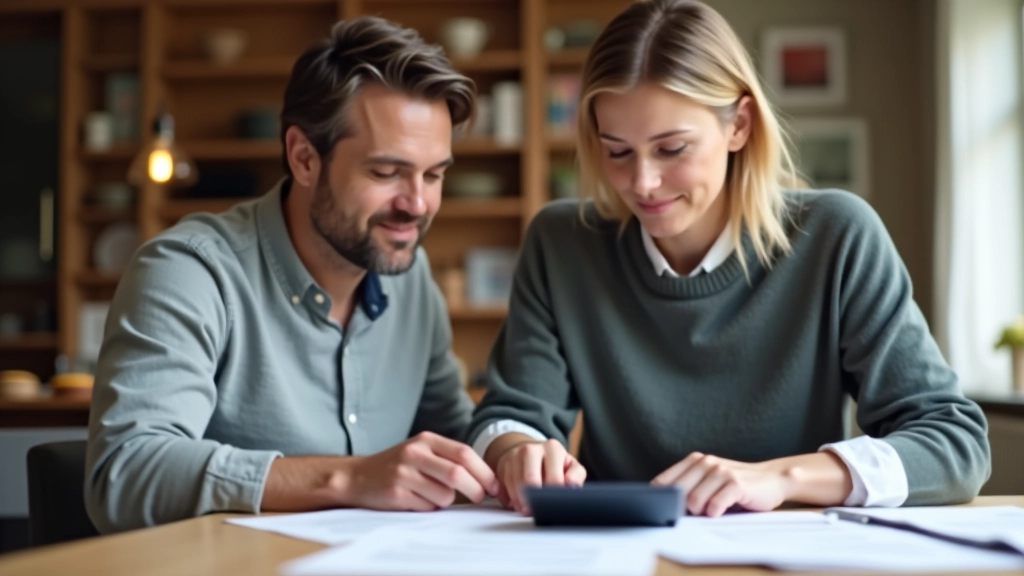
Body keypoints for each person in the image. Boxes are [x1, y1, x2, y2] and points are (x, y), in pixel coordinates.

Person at [471, 0, 990, 518]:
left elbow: (955, 444)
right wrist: (517, 451)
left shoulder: (836, 235)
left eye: (672, 149)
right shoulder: (562, 243)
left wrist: (782, 477)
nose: (642, 183)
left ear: (738, 125)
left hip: (786, 549)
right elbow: (508, 415)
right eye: (618, 151)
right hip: (615, 546)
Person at [85, 16, 499, 534]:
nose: (417, 204)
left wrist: (511, 450)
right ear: (304, 158)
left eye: (434, 175)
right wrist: (349, 478)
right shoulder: (190, 271)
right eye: (386, 172)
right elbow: (124, 474)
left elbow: (454, 434)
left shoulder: (410, 280)